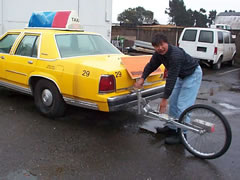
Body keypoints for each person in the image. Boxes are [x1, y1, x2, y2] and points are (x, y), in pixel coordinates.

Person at [134, 33, 202, 144]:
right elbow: (151, 65)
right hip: (181, 75)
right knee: (174, 103)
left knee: (183, 106)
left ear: (167, 43)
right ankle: (171, 128)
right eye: (157, 46)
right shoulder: (158, 54)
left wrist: (164, 100)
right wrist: (142, 78)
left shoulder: (175, 54)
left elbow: (171, 78)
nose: (160, 48)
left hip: (192, 74)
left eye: (162, 45)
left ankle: (182, 135)